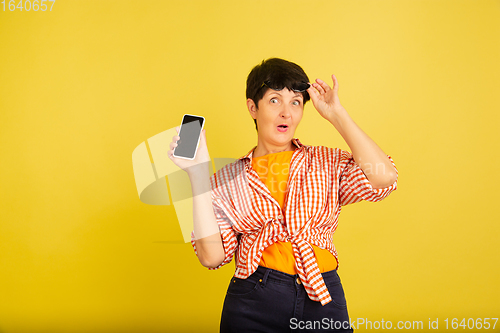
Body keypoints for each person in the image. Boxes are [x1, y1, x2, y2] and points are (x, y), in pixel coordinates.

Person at [168, 58, 398, 332]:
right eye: (275, 100)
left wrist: (337, 114)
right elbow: (212, 257)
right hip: (254, 300)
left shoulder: (326, 162)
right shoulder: (227, 181)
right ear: (253, 107)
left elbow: (384, 177)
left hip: (322, 296)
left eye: (296, 102)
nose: (286, 113)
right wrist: (197, 175)